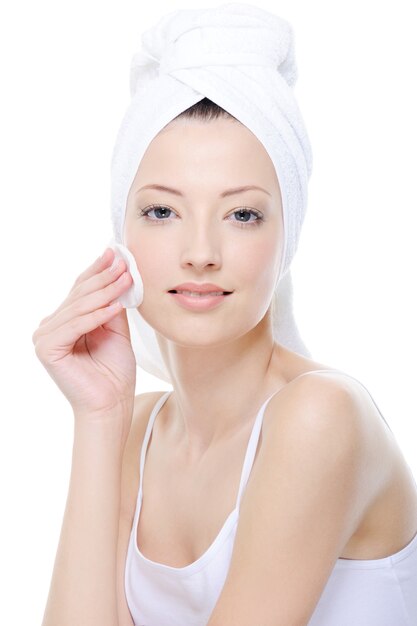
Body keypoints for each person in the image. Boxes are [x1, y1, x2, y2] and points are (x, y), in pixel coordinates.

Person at [32, 4, 417, 626]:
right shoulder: (135, 430)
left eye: (243, 215)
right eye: (162, 212)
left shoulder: (319, 416)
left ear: (286, 234)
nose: (201, 254)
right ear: (121, 231)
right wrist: (97, 416)